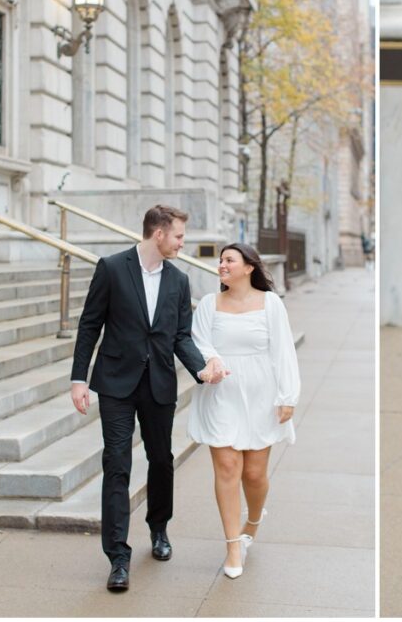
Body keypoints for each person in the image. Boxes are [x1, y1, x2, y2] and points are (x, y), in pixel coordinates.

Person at [70, 205, 220, 592]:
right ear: (159, 234)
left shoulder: (179, 280)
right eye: (179, 236)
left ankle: (159, 529)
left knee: (161, 461)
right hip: (116, 382)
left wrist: (200, 369)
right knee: (116, 464)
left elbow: (180, 336)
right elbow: (90, 325)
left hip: (159, 384)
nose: (183, 243)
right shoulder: (112, 268)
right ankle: (118, 557)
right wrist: (78, 379)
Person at [187, 243, 301, 579]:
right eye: (220, 260)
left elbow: (283, 350)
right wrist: (212, 360)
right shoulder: (209, 304)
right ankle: (233, 544)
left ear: (249, 267)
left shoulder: (270, 304)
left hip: (261, 395)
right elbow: (198, 340)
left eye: (229, 260)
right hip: (221, 393)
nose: (222, 265)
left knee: (253, 474)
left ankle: (253, 519)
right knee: (226, 467)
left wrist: (288, 396)